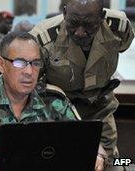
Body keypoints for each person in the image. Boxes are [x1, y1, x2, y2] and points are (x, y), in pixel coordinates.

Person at [0, 32, 105, 170]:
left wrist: (98, 155)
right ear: (1, 64)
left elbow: (88, 140)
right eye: (20, 63)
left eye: (35, 63)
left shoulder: (54, 100)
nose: (29, 71)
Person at [29, 0, 134, 169]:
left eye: (89, 25)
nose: (80, 32)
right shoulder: (42, 39)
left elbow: (124, 46)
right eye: (73, 23)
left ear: (101, 17)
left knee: (112, 163)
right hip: (58, 112)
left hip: (100, 108)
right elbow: (29, 87)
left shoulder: (119, 27)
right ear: (64, 13)